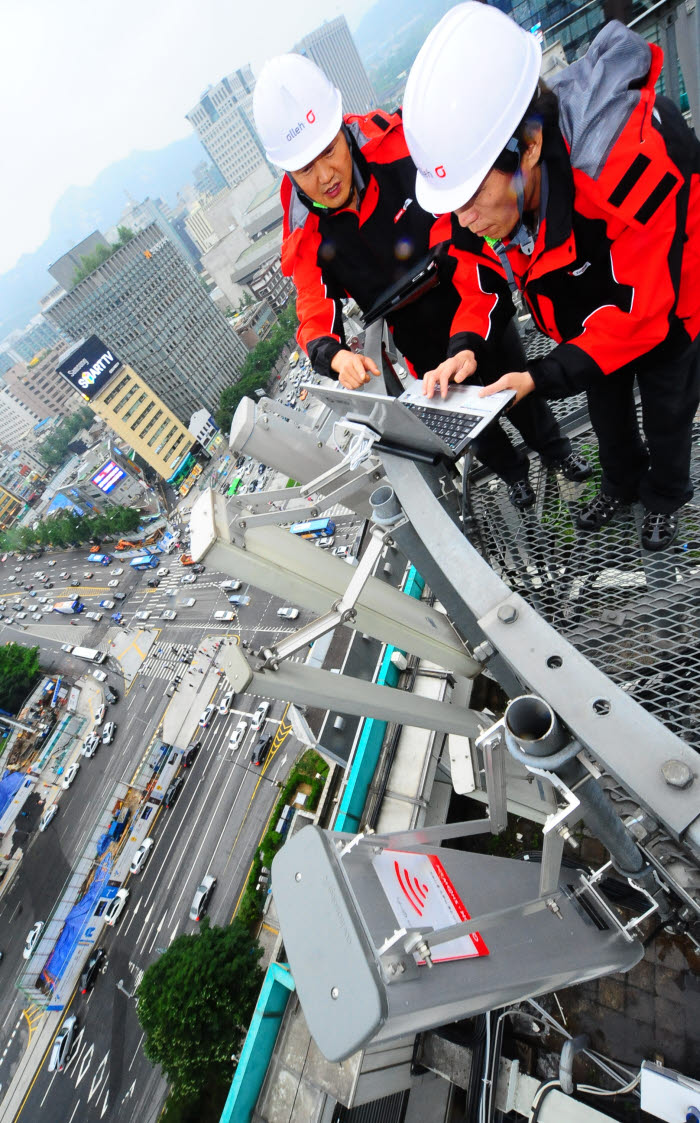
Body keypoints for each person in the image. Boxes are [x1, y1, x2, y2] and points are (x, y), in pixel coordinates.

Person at [403, 2, 700, 551]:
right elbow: (471, 263)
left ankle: (666, 495)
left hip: (668, 303)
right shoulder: (494, 183)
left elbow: (644, 312)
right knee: (606, 409)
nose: (463, 217)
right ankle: (621, 483)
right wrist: (466, 343)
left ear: (530, 147)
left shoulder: (621, 168)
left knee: (668, 409)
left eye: (470, 199)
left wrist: (540, 376)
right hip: (586, 313)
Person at [252, 53, 590, 509]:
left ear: (343, 131)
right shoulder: (305, 231)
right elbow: (314, 308)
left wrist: (468, 338)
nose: (326, 174)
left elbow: (459, 239)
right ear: (287, 173)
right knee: (460, 413)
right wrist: (332, 356)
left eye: (329, 150)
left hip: (462, 286)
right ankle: (514, 474)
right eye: (305, 169)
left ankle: (557, 453)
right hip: (410, 327)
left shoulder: (397, 149)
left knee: (510, 384)